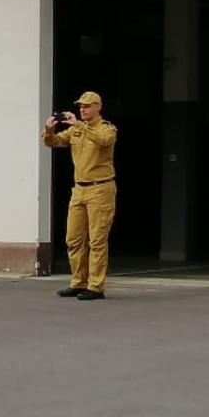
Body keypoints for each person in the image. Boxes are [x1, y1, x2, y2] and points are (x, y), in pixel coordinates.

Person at [45, 91, 118, 301]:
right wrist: (49, 129)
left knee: (97, 240)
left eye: (87, 106)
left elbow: (104, 141)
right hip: (79, 189)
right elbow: (54, 142)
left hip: (100, 188)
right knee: (74, 239)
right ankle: (78, 282)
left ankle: (96, 286)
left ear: (98, 107)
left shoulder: (106, 128)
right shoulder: (76, 131)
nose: (82, 110)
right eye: (81, 107)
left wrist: (78, 125)